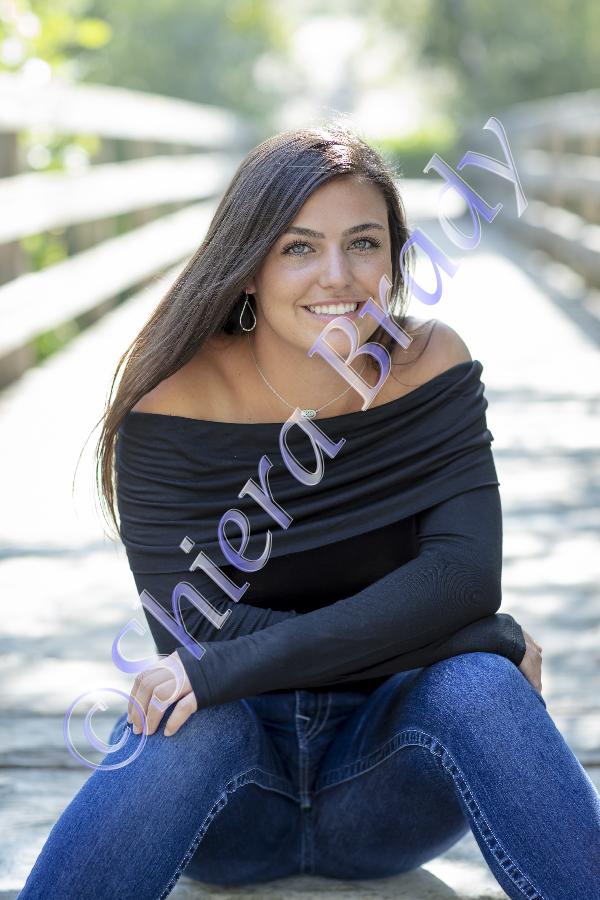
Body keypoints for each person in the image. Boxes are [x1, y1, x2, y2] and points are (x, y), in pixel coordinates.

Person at [17, 122, 600, 900]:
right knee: (187, 717)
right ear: (248, 267)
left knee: (482, 687)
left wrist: (460, 629)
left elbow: (461, 580)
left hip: (386, 785)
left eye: (363, 243)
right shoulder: (171, 406)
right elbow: (198, 636)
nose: (338, 276)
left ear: (394, 255)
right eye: (299, 247)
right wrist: (468, 633)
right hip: (228, 799)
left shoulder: (432, 365)